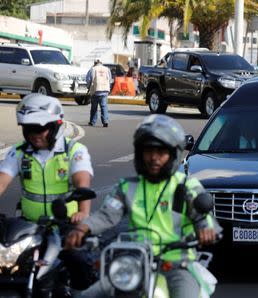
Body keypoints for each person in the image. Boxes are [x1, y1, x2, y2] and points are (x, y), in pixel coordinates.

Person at [65, 114, 221, 298]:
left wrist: (206, 230)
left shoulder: (185, 186)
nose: (153, 158)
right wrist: (83, 228)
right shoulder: (127, 187)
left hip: (177, 265)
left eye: (160, 152)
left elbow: (204, 217)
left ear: (173, 154)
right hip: (133, 262)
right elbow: (107, 215)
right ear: (140, 153)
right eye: (148, 151)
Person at [0, 94, 95, 291]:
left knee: (77, 260)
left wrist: (82, 213)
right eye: (29, 129)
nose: (34, 134)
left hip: (65, 225)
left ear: (55, 125)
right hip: (27, 227)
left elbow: (82, 180)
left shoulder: (73, 150)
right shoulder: (18, 152)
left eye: (39, 128)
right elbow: (1, 181)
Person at [87, 59, 111, 127]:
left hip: (95, 90)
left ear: (95, 63)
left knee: (94, 107)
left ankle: (92, 122)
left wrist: (88, 87)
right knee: (104, 107)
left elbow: (88, 79)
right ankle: (105, 121)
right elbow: (110, 79)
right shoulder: (107, 69)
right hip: (105, 90)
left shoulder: (93, 69)